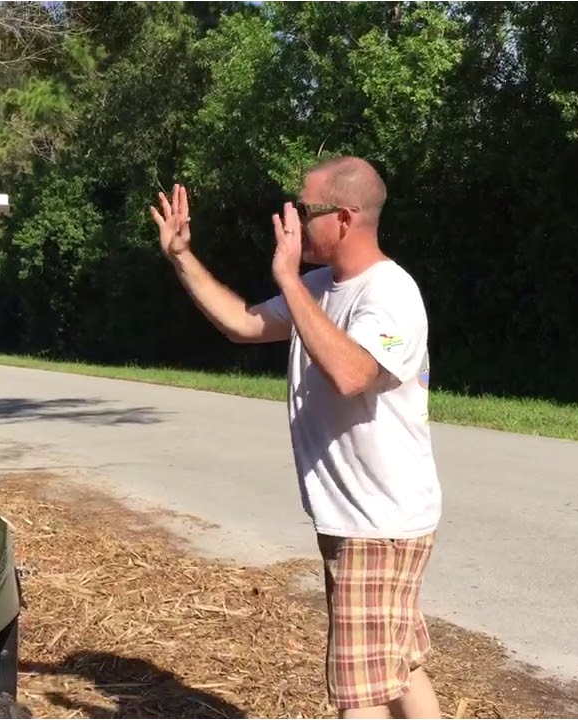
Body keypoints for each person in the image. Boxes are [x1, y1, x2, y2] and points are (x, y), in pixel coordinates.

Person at [150, 155, 443, 719]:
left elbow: (352, 373)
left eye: (304, 208)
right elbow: (241, 322)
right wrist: (182, 257)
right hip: (358, 519)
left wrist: (286, 277)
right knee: (398, 666)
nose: (291, 217)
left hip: (378, 524)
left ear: (344, 217)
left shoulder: (390, 293)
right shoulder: (320, 287)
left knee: (359, 695)